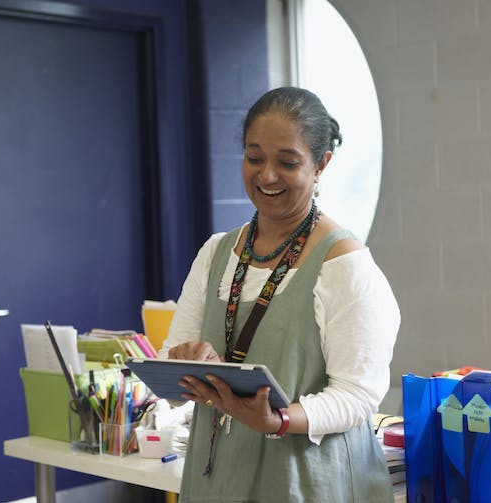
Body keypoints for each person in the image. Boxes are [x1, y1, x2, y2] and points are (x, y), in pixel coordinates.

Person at [159, 87, 400, 502]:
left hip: (306, 483)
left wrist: (280, 419)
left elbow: (358, 395)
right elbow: (168, 366)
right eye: (254, 158)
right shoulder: (217, 252)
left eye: (287, 162)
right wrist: (185, 365)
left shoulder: (344, 264)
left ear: (321, 164)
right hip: (216, 479)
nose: (267, 175)